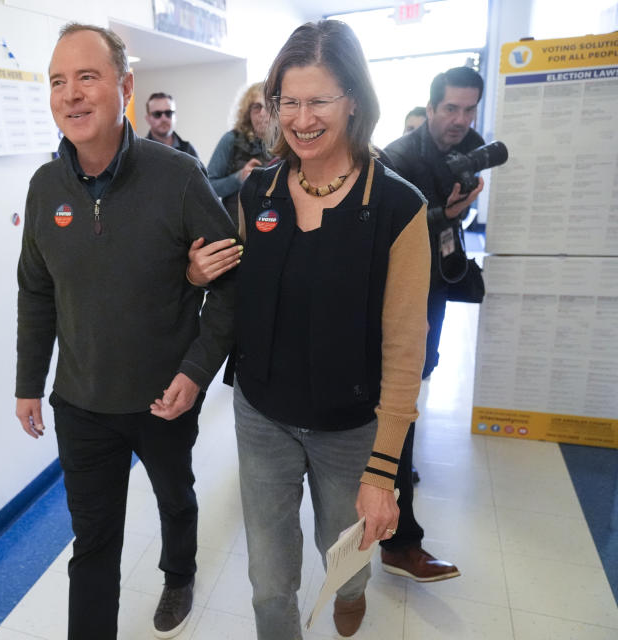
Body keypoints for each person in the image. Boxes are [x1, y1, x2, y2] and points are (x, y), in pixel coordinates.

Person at [190, 20, 430, 638]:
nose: (301, 119)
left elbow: (406, 349)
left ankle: (353, 592)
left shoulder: (399, 208)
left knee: (343, 557)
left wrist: (383, 473)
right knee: (270, 582)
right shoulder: (259, 190)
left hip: (350, 426)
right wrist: (198, 272)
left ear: (353, 99)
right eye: (288, 102)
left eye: (318, 100)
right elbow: (227, 283)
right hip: (262, 413)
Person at [15, 23, 236, 640]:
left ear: (125, 87)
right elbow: (35, 291)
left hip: (162, 397)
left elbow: (230, 286)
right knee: (93, 545)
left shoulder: (179, 176)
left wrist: (194, 375)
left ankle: (179, 570)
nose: (72, 94)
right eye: (59, 81)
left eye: (88, 77)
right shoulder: (43, 189)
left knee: (174, 495)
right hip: (80, 404)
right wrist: (29, 381)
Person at [378, 66, 485, 584]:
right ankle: (401, 538)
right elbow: (389, 239)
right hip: (398, 300)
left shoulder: (470, 145)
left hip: (436, 288)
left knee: (414, 385)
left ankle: (388, 474)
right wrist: (448, 214)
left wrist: (456, 213)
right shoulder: (398, 158)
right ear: (432, 105)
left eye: (469, 109)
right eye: (451, 109)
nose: (461, 120)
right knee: (397, 397)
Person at [207, 82, 273, 216]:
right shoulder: (231, 139)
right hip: (237, 224)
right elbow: (208, 186)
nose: (262, 113)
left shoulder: (288, 142)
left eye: (269, 106)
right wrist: (239, 177)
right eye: (257, 107)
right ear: (248, 112)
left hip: (273, 220)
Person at [144, 91, 199, 158]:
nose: (164, 119)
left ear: (175, 116)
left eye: (168, 113)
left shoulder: (189, 150)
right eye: (157, 114)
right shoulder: (140, 152)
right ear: (148, 119)